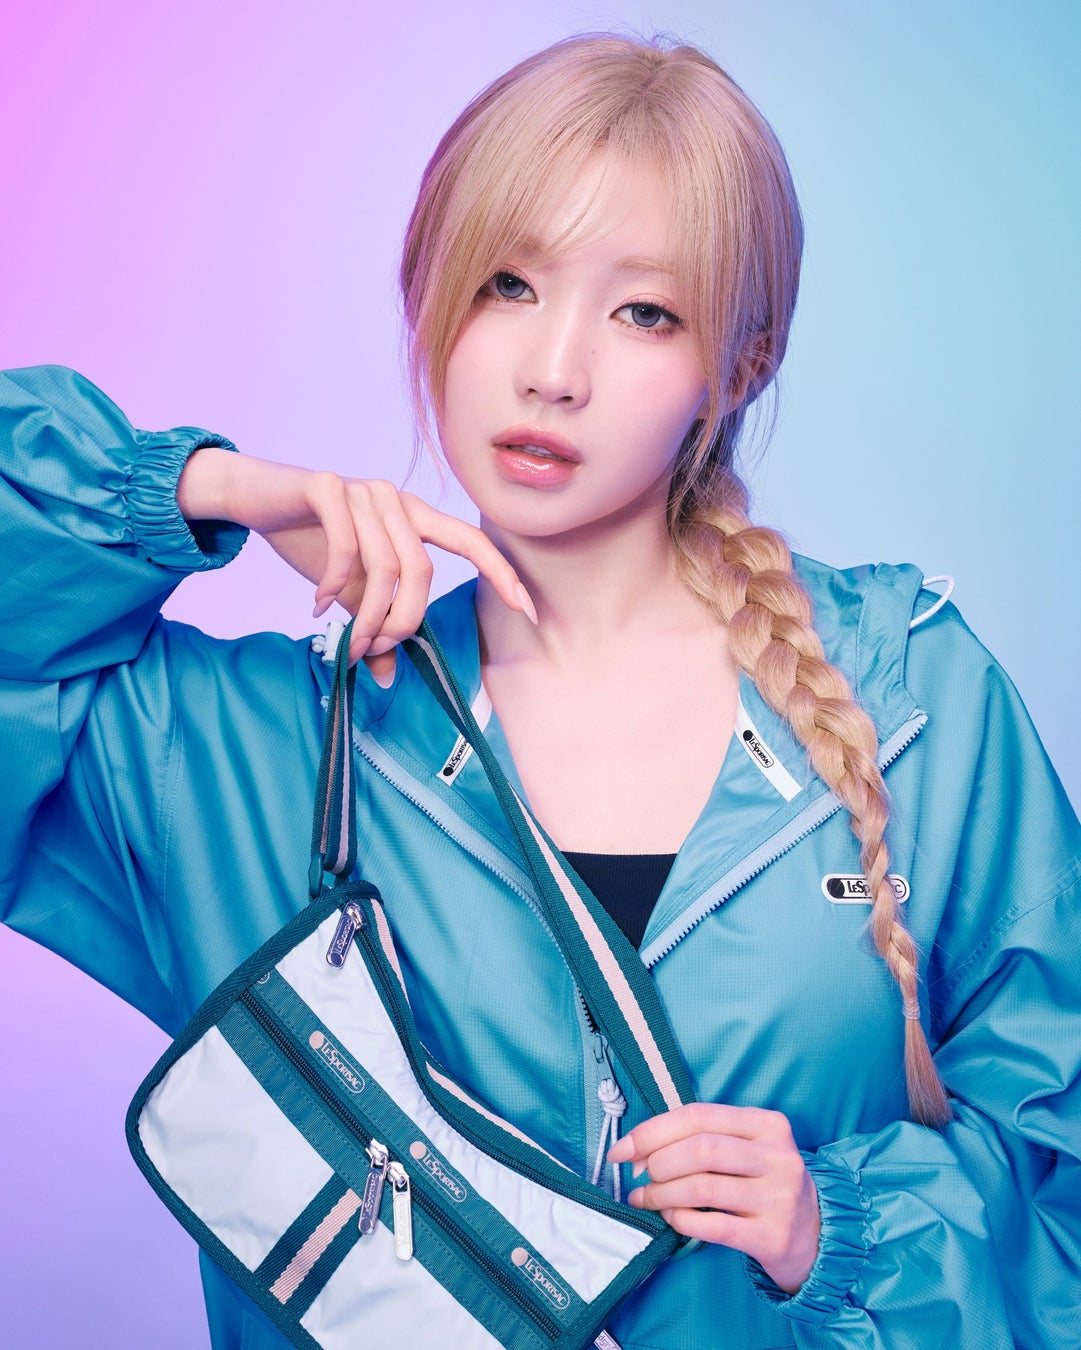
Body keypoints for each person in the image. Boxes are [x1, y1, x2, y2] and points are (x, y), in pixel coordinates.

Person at [2, 31, 1079, 1350]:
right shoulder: (247, 753)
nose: (552, 368)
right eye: (506, 284)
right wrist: (201, 488)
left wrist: (837, 1231)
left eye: (644, 313)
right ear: (430, 297)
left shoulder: (913, 700)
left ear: (739, 364)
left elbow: (1062, 1174)